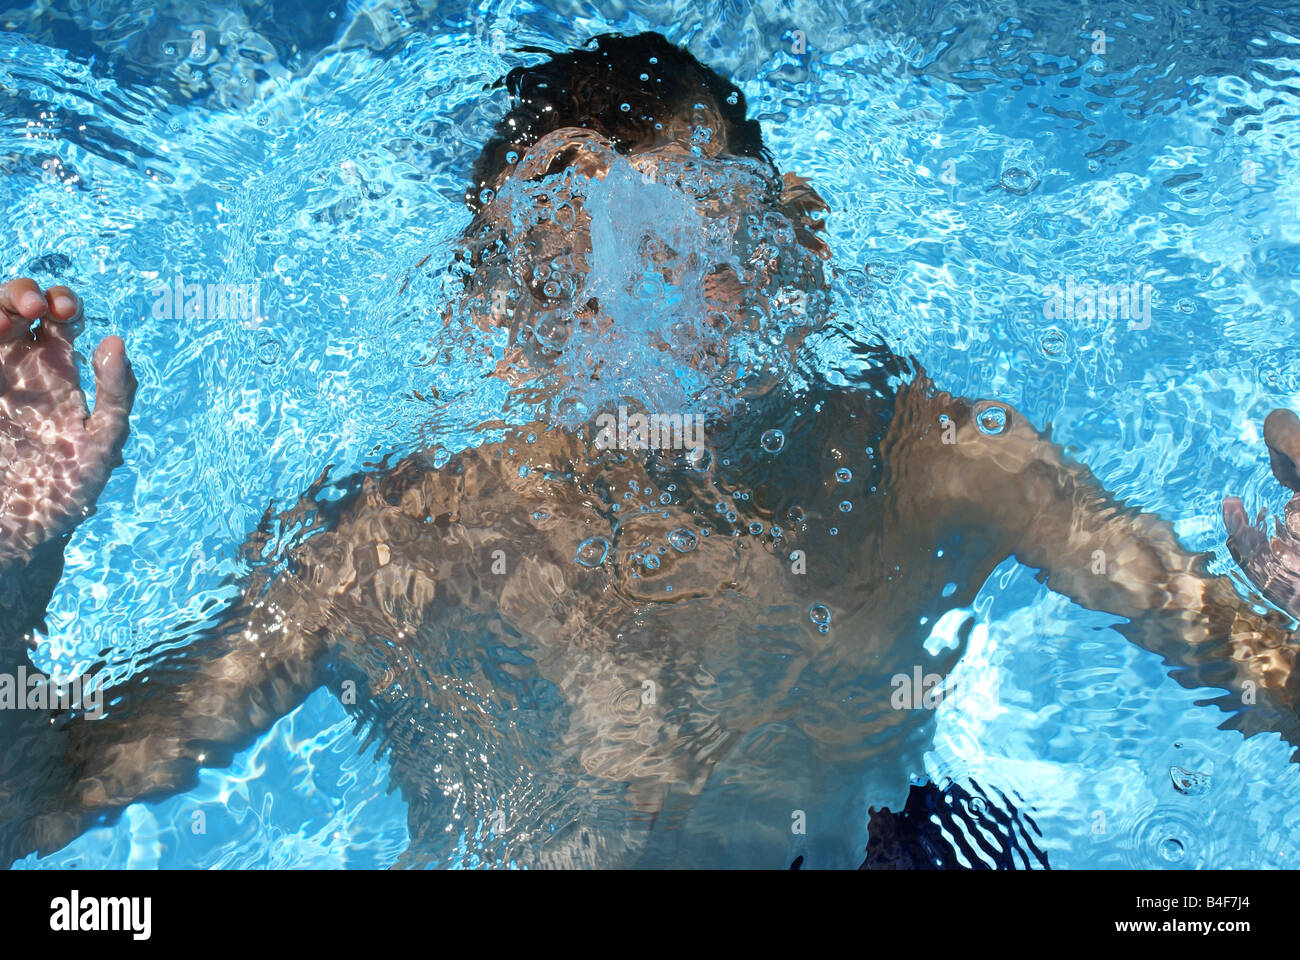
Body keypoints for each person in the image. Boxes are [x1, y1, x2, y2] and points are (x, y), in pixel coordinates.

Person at [1, 32, 1297, 868]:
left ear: (799, 241)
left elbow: (1264, 693)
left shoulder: (946, 463)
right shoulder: (390, 548)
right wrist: (15, 577)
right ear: (493, 323)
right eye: (574, 283)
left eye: (693, 252)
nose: (645, 329)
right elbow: (39, 808)